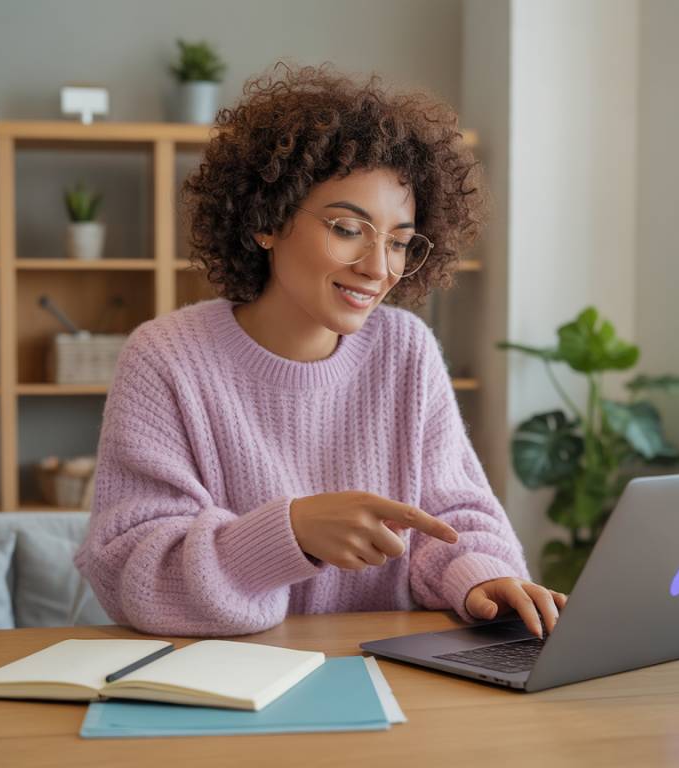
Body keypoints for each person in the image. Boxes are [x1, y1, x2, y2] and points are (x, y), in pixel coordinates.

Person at [74, 61, 566, 639]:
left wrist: (482, 577)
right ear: (266, 221)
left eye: (400, 242)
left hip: (385, 669)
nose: (378, 268)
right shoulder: (166, 358)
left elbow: (453, 516)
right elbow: (130, 569)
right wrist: (289, 533)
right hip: (231, 677)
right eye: (347, 229)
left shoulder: (406, 350)